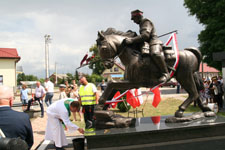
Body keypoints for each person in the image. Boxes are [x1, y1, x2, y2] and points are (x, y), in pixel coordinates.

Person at [123, 9, 169, 83]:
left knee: (155, 53)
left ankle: (165, 73)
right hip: (147, 43)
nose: (133, 21)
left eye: (134, 19)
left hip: (154, 42)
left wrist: (131, 40)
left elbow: (145, 35)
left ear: (138, 16)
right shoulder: (141, 24)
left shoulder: (146, 21)